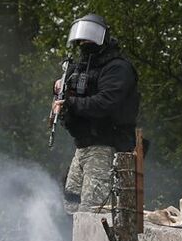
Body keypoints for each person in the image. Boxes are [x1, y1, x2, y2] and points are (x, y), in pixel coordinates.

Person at [53, 14, 139, 214]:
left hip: (106, 145)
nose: (84, 43)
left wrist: (70, 103)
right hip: (83, 146)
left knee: (92, 210)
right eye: (81, 40)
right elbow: (71, 87)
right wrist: (59, 87)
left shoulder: (117, 68)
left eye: (88, 39)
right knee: (71, 204)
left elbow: (105, 103)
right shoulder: (84, 65)